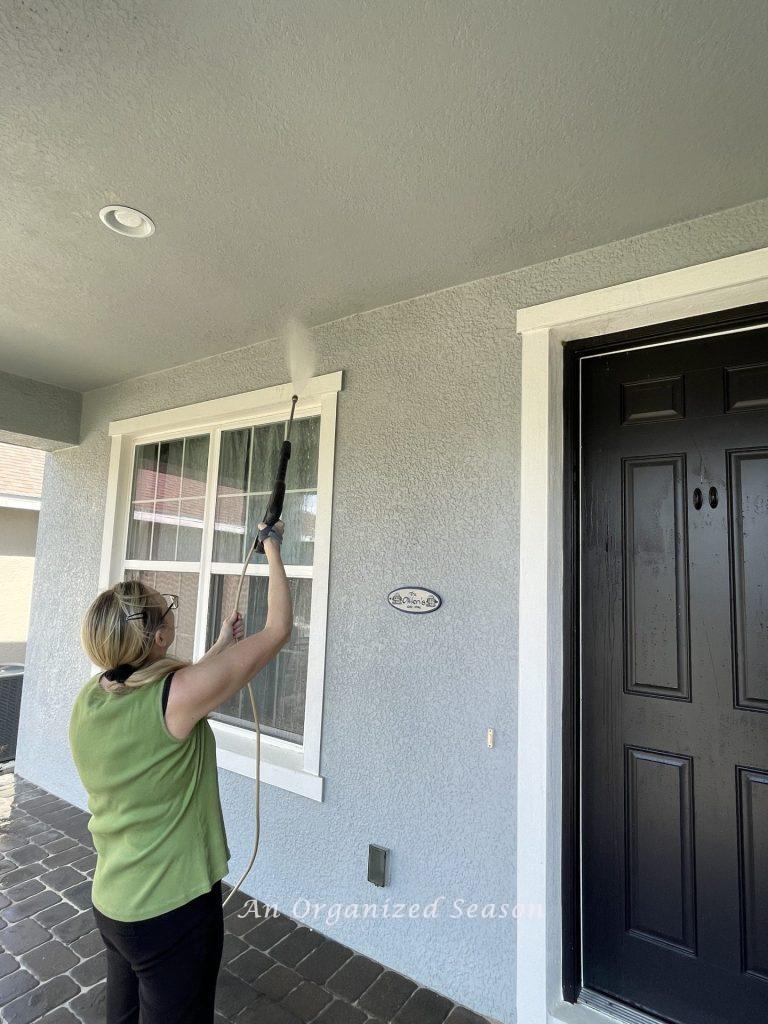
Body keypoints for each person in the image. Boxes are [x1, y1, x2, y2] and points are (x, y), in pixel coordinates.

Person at [68, 520, 292, 1024]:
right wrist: (274, 546)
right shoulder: (176, 697)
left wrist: (217, 649)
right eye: (164, 609)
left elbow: (173, 690)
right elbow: (277, 630)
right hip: (171, 912)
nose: (171, 612)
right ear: (155, 634)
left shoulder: (93, 697)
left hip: (116, 906)